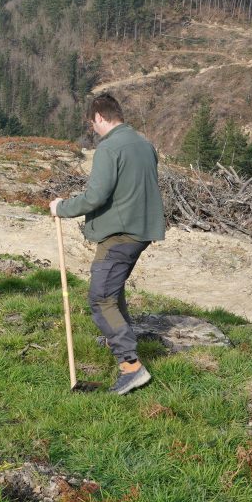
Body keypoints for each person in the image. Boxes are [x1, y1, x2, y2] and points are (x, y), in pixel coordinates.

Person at [50, 93, 165, 396]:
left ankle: (131, 366)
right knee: (112, 292)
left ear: (99, 117)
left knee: (100, 298)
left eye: (93, 124)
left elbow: (95, 196)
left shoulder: (109, 147)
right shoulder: (145, 145)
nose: (94, 129)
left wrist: (61, 207)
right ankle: (123, 341)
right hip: (141, 231)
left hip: (120, 233)